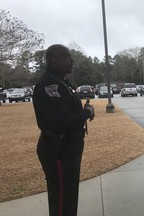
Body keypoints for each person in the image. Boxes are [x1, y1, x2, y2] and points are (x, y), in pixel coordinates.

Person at [32, 44, 95, 216]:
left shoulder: (61, 82)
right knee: (62, 200)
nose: (72, 60)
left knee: (68, 196)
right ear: (54, 60)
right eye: (67, 56)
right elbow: (61, 122)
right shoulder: (49, 85)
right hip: (59, 149)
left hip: (68, 148)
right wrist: (87, 112)